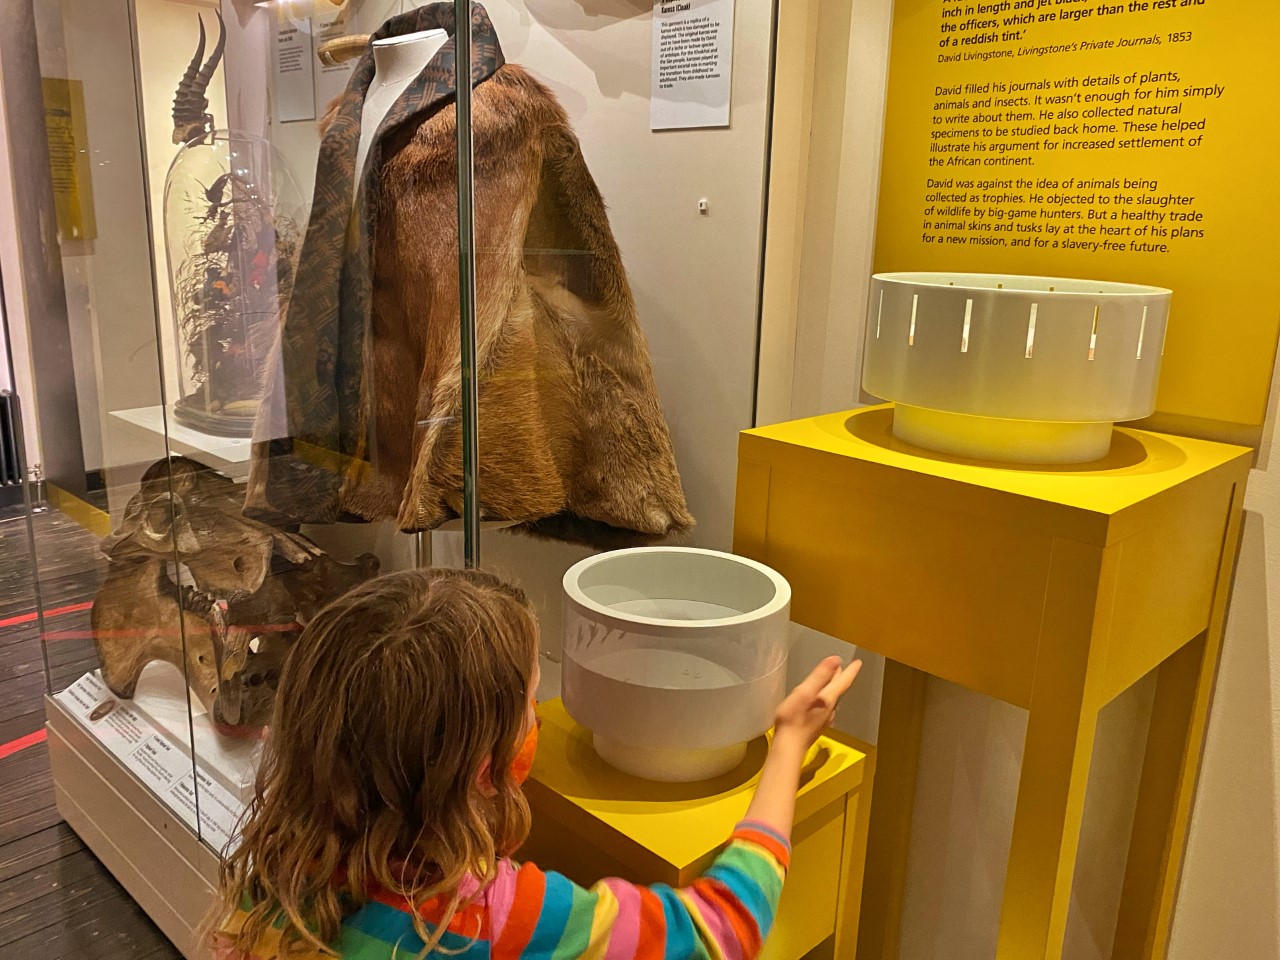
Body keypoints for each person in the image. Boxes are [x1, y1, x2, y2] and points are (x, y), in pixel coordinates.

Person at [213, 567, 862, 960]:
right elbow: (721, 931)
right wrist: (786, 748)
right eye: (528, 704)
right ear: (481, 766)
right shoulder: (502, 918)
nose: (540, 719)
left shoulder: (278, 871)